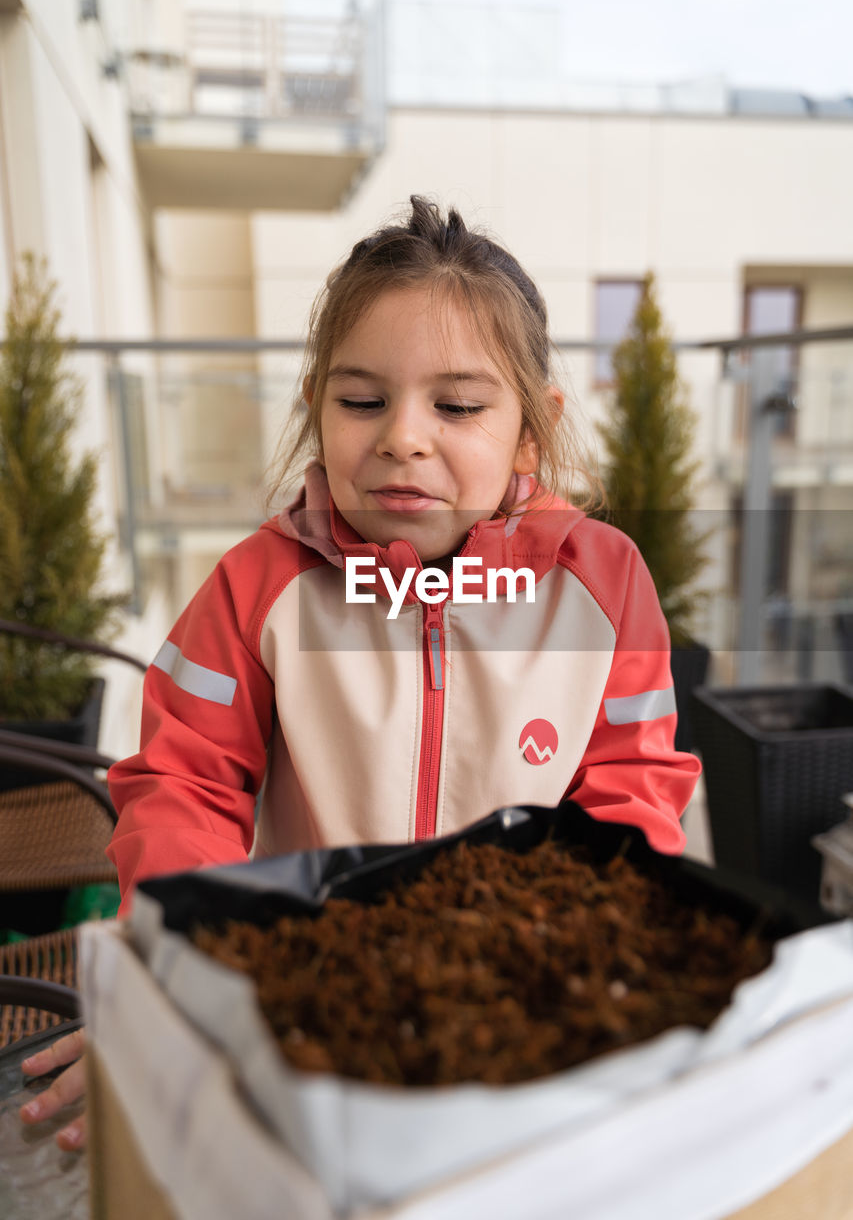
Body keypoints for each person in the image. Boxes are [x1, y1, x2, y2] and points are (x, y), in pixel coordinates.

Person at [21, 195, 701, 1146]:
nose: (402, 437)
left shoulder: (605, 583)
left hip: (515, 1004)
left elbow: (631, 792)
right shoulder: (255, 586)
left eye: (457, 406)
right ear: (316, 409)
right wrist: (169, 982)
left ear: (529, 428)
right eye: (361, 400)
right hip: (299, 1007)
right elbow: (184, 786)